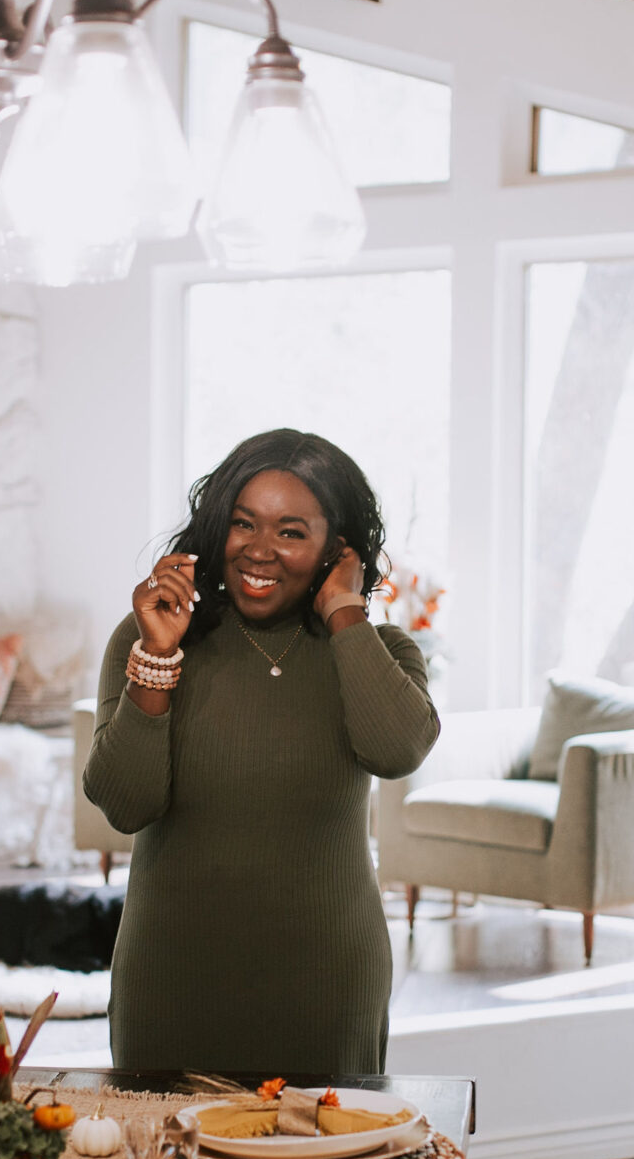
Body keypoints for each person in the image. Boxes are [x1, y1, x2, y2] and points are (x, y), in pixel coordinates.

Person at [83, 428, 440, 1076]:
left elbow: (398, 750)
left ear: (337, 549)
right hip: (173, 988)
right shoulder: (147, 640)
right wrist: (158, 660)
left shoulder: (376, 651)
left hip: (327, 993)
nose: (259, 549)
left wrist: (344, 614)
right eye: (243, 523)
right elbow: (124, 802)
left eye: (290, 531)